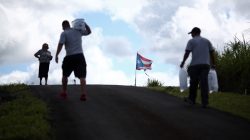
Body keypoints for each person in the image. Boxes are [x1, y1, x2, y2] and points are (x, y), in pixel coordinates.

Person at [55, 20, 91, 101]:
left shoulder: (64, 33)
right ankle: (83, 94)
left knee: (65, 75)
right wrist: (85, 23)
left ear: (64, 26)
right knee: (82, 77)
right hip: (79, 56)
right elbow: (89, 32)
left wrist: (57, 54)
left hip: (69, 56)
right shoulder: (78, 31)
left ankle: (64, 92)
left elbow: (60, 44)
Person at [180, 27, 216, 108]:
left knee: (193, 82)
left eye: (191, 33)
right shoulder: (207, 41)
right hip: (205, 65)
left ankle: (192, 100)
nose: (191, 35)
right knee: (204, 83)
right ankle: (205, 102)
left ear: (194, 33)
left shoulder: (191, 41)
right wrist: (213, 64)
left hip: (195, 65)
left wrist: (183, 62)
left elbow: (187, 53)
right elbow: (212, 53)